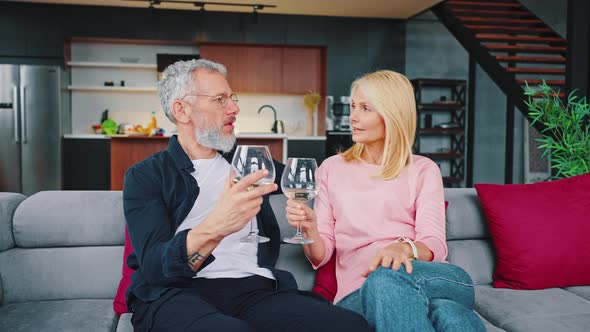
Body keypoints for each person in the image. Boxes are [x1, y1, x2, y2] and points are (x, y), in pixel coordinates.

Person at [122, 59, 370, 332]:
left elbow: (306, 179)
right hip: (175, 294)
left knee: (350, 326)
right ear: (182, 110)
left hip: (253, 289)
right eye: (220, 100)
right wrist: (217, 226)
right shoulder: (146, 175)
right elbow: (156, 268)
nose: (234, 108)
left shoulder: (249, 162)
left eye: (232, 98)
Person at [286, 70, 486, 331]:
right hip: (359, 292)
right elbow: (320, 258)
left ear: (392, 115)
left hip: (431, 277)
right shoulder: (331, 169)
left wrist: (402, 249)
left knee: (392, 278)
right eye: (353, 106)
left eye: (365, 108)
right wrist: (310, 229)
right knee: (450, 315)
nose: (353, 117)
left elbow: (435, 244)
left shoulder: (423, 169)